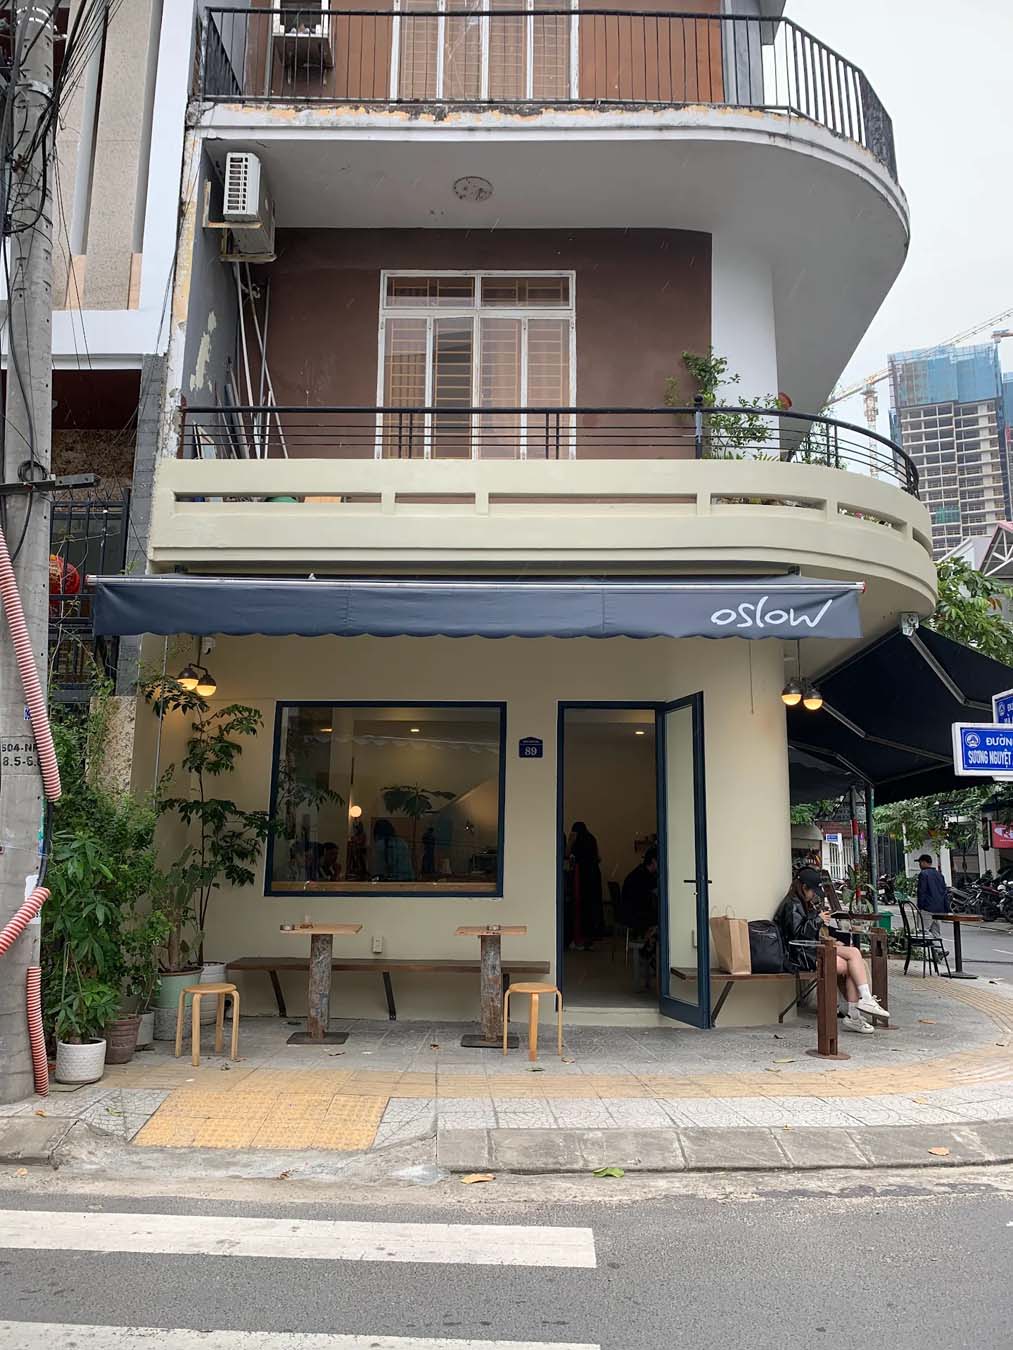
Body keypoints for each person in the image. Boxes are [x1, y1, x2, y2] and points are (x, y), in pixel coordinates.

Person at [775, 867, 889, 1034]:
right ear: (804, 887)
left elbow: (806, 934)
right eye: (812, 891)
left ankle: (864, 1001)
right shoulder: (792, 905)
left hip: (809, 949)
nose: (813, 895)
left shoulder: (800, 903)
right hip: (799, 956)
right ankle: (855, 1014)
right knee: (850, 966)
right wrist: (818, 920)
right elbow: (797, 935)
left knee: (854, 953)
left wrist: (827, 937)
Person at [565, 821, 604, 950]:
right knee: (592, 908)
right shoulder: (591, 839)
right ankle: (590, 939)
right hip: (594, 878)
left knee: (581, 909)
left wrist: (570, 841)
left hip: (582, 879)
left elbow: (568, 855)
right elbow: (598, 857)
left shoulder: (578, 842)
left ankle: (580, 939)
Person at [620, 847, 659, 937]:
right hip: (635, 915)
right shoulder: (646, 876)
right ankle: (650, 940)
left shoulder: (639, 871)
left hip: (628, 913)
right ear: (654, 861)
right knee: (664, 916)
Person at [916, 853, 950, 941]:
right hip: (939, 909)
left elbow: (922, 891)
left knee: (923, 931)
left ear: (924, 862)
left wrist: (920, 906)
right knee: (936, 932)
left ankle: (932, 947)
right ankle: (939, 948)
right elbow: (944, 891)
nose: (919, 865)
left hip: (927, 907)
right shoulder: (939, 875)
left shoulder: (923, 874)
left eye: (920, 862)